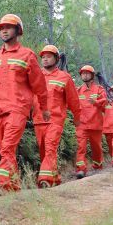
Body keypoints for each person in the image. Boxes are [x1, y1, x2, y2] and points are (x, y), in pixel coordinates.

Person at [0, 14, 49, 196]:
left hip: (17, 108)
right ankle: (14, 188)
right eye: (1, 28)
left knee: (7, 148)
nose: (4, 30)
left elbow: (40, 85)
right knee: (6, 152)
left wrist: (44, 108)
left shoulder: (27, 55)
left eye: (8, 27)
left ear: (18, 30)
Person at [32, 45, 80, 187]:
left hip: (55, 119)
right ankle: (55, 178)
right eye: (43, 57)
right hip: (38, 120)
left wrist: (77, 118)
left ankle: (45, 180)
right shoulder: (36, 76)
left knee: (50, 147)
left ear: (56, 59)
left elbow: (73, 100)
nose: (45, 59)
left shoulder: (64, 77)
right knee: (43, 151)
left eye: (48, 56)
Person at [75, 65, 107, 178]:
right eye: (83, 73)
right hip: (81, 124)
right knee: (81, 146)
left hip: (95, 123)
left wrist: (96, 102)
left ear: (92, 76)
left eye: (87, 73)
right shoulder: (78, 90)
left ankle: (97, 165)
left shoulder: (99, 89)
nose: (84, 75)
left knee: (96, 147)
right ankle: (81, 169)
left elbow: (105, 103)